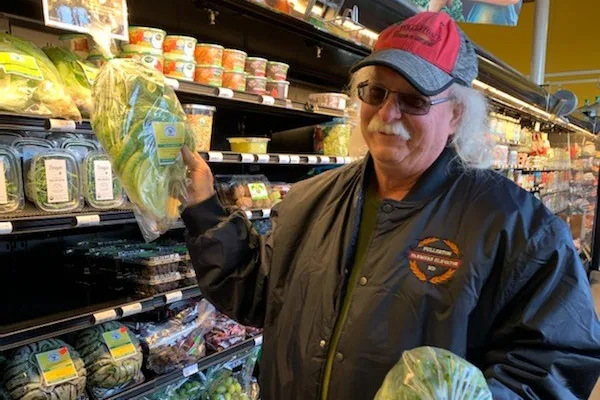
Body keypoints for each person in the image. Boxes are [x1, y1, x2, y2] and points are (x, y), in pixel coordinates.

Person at [181, 12, 600, 400]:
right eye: (375, 91)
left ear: (455, 115)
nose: (386, 112)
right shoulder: (310, 200)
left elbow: (554, 363)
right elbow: (257, 294)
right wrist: (204, 206)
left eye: (414, 99)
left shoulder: (518, 227)